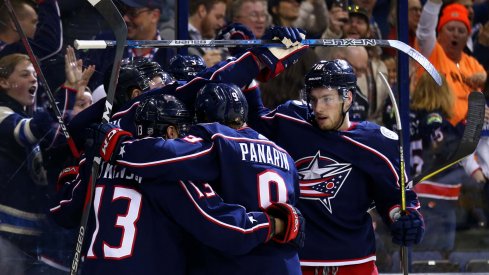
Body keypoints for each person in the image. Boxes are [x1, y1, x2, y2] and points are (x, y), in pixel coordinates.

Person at [51, 92, 303, 275]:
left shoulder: (97, 164)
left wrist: (72, 169)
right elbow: (224, 228)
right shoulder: (172, 176)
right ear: (172, 133)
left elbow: (61, 212)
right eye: (185, 130)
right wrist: (274, 223)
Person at [243, 58, 425, 274]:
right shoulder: (291, 121)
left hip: (356, 264)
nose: (318, 108)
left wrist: (406, 219)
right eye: (313, 99)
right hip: (298, 263)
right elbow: (253, 119)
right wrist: (248, 62)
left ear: (347, 98)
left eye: (327, 99)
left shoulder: (377, 143)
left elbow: (397, 198)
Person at [0, 53, 80, 274]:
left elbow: (53, 137)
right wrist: (68, 91)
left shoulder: (25, 115)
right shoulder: (1, 113)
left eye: (35, 75)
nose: (33, 80)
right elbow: (29, 132)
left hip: (32, 232)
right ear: (4, 82)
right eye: (25, 75)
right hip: (5, 231)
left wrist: (72, 97)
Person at [416, 0, 487, 126]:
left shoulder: (472, 64)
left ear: (467, 37)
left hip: (474, 137)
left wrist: (485, 79)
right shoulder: (431, 53)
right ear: (440, 33)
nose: (455, 34)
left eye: (461, 31)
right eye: (450, 29)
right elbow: (424, 32)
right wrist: (434, 3)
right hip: (440, 132)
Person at [83, 0, 175, 92]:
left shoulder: (170, 57)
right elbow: (86, 85)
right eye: (123, 11)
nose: (125, 18)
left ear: (154, 16)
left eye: (133, 13)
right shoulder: (106, 44)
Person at [188, 0, 227, 67]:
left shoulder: (211, 35)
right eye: (218, 17)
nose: (221, 24)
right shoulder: (174, 36)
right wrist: (201, 67)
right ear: (202, 10)